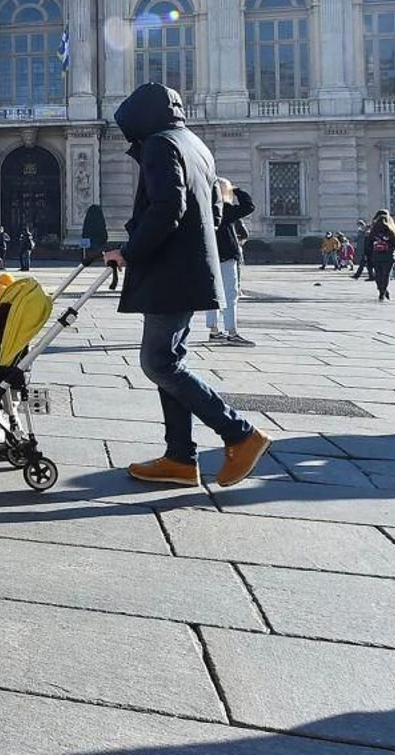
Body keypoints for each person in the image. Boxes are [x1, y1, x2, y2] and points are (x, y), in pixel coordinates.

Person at [101, 83, 270, 489]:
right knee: (169, 362)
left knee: (158, 363)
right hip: (189, 271)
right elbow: (212, 211)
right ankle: (179, 457)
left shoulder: (161, 144)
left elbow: (167, 207)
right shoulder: (196, 144)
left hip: (169, 274)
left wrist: (130, 251)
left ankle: (240, 434)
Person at [204, 179, 255, 346]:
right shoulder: (224, 209)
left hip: (210, 257)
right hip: (226, 256)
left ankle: (213, 330)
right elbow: (249, 206)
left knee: (212, 294)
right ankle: (232, 332)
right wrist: (236, 189)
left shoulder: (204, 208)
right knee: (230, 294)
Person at [367, 210, 395, 301]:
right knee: (386, 275)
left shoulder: (374, 230)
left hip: (376, 255)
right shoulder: (392, 230)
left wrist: (370, 254)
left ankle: (382, 291)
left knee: (378, 274)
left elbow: (369, 243)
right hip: (389, 256)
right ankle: (383, 292)